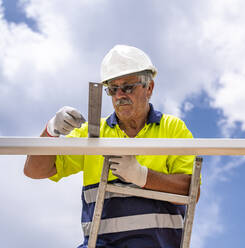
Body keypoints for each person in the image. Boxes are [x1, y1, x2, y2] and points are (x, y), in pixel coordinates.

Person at [24, 44, 199, 248]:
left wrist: (142, 176)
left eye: (127, 87)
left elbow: (191, 192)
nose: (119, 95)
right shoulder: (93, 134)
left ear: (149, 88)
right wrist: (51, 130)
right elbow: (33, 171)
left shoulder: (171, 129)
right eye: (113, 89)